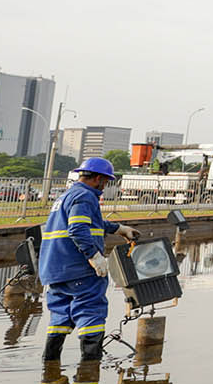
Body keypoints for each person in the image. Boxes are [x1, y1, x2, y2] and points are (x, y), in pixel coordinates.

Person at [37, 156, 138, 365]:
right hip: (79, 269)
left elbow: (92, 222)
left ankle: (50, 366)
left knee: (60, 316)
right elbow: (77, 228)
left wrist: (119, 229)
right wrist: (95, 257)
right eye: (106, 181)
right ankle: (89, 372)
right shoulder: (85, 196)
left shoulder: (67, 196)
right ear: (98, 179)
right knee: (91, 311)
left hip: (55, 270)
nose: (105, 186)